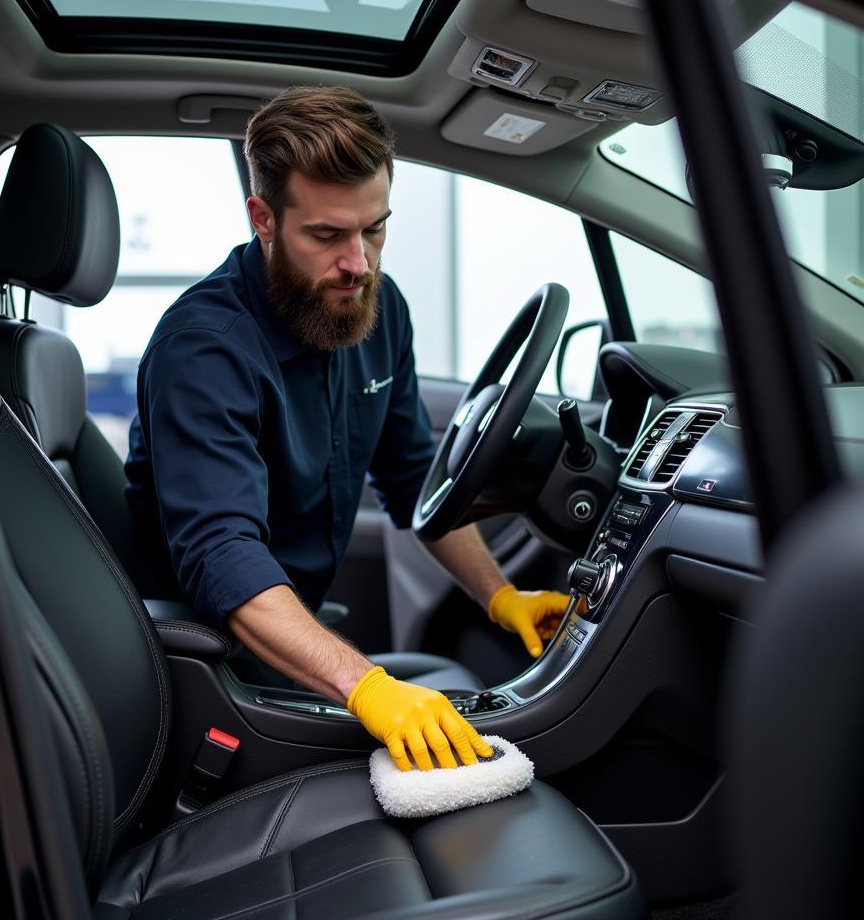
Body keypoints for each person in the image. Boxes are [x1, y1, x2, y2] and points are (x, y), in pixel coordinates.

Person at [125, 86, 570, 773]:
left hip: (290, 648)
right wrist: (366, 688)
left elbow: (415, 478)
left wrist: (500, 593)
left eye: (375, 229)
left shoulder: (377, 308)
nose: (358, 263)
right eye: (328, 235)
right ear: (264, 218)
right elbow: (224, 557)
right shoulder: (203, 350)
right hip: (212, 673)